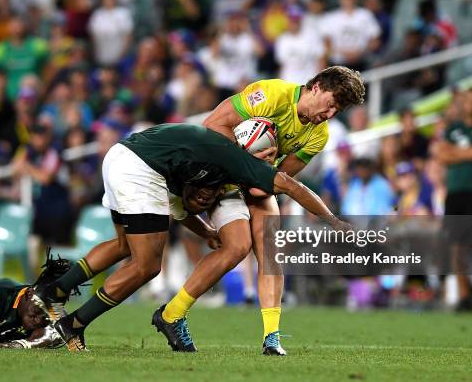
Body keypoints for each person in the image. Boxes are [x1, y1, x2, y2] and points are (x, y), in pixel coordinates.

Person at [33, 123, 351, 353]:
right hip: (140, 170)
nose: (203, 201)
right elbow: (293, 186)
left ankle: (53, 289)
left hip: (121, 155)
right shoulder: (235, 162)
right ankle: (72, 325)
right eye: (202, 198)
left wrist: (208, 231)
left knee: (123, 246)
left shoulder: (191, 171)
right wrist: (334, 221)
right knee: (146, 266)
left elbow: (186, 211)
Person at [159, 66, 364, 356]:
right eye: (331, 104)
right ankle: (173, 313)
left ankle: (272, 337)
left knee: (270, 249)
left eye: (338, 110)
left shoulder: (319, 135)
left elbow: (276, 180)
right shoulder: (271, 95)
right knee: (237, 246)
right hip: (220, 175)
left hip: (255, 181)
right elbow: (212, 125)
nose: (330, 114)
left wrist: (260, 169)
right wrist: (246, 156)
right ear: (316, 86)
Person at [433, 87, 472, 312]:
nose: (471, 105)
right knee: (456, 247)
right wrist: (468, 152)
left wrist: (457, 153)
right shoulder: (453, 128)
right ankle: (466, 296)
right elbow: (441, 155)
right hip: (456, 192)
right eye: (467, 101)